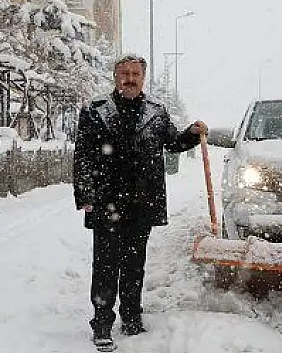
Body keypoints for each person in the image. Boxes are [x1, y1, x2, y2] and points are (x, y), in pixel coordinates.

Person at [73, 53, 207, 351]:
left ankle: (132, 317)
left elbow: (173, 143)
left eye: (135, 74)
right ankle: (102, 323)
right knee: (106, 264)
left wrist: (192, 135)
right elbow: (82, 155)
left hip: (142, 202)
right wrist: (85, 194)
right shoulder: (95, 111)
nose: (130, 78)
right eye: (125, 73)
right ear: (115, 77)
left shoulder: (156, 114)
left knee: (135, 263)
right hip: (106, 201)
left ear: (143, 78)